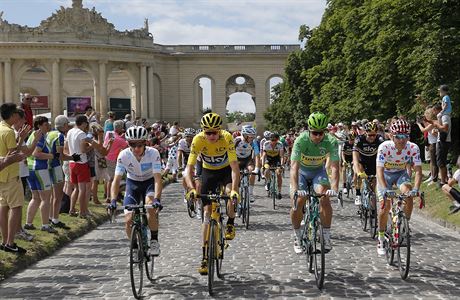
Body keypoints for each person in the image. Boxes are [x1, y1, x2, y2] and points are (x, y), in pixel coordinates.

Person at [184, 112, 240, 275]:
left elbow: (235, 167)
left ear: (220, 130)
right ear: (203, 131)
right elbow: (189, 168)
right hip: (208, 173)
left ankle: (230, 222)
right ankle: (204, 257)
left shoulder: (227, 137)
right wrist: (192, 188)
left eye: (215, 132)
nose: (211, 136)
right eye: (207, 132)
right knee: (207, 215)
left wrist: (235, 190)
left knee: (230, 193)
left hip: (225, 172)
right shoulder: (198, 140)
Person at [290, 112, 339, 254]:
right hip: (302, 173)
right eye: (315, 133)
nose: (318, 136)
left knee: (324, 197)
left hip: (318, 172)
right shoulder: (301, 140)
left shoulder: (331, 141)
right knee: (298, 201)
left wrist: (334, 188)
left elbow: (335, 167)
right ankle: (297, 235)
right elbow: (294, 167)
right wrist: (295, 188)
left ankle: (326, 235)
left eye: (321, 133)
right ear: (309, 130)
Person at [110, 126, 163, 256]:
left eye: (140, 144)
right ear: (128, 143)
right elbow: (116, 180)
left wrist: (157, 199)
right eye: (133, 145)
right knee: (128, 219)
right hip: (132, 184)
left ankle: (154, 240)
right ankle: (134, 246)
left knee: (150, 207)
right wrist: (113, 200)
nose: (137, 148)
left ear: (146, 143)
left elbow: (157, 179)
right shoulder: (123, 155)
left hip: (149, 182)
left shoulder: (153, 153)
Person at [375, 119, 422, 256]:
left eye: (405, 136)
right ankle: (381, 238)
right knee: (385, 206)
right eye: (398, 137)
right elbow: (379, 170)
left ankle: (404, 226)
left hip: (401, 174)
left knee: (408, 194)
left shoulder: (413, 148)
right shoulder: (384, 147)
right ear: (391, 136)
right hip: (385, 175)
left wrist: (416, 189)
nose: (402, 140)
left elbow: (418, 171)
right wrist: (385, 190)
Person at [0, 103, 28, 253]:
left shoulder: (1, 128)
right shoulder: (9, 132)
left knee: (3, 208)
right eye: (16, 114)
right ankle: (10, 242)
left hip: (2, 175)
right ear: (12, 115)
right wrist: (21, 140)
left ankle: (5, 241)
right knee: (16, 207)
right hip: (10, 174)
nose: (18, 116)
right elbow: (12, 155)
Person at [46, 115, 72, 229]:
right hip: (55, 166)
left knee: (52, 195)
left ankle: (50, 216)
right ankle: (55, 219)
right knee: (58, 194)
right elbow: (60, 156)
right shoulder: (60, 135)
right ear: (64, 125)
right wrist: (73, 158)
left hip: (47, 165)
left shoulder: (49, 133)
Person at [64, 115, 92, 218]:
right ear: (84, 123)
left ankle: (71, 209)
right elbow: (83, 150)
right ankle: (82, 211)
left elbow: (66, 147)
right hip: (82, 163)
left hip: (73, 161)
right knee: (82, 189)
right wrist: (91, 146)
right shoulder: (81, 134)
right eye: (86, 124)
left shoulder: (70, 131)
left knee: (75, 188)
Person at [352, 122, 384, 206]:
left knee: (373, 184)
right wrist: (358, 172)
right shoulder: (359, 139)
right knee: (358, 173)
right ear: (365, 132)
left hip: (374, 162)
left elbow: (385, 155)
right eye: (370, 135)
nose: (372, 137)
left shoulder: (380, 139)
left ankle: (372, 202)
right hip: (362, 161)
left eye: (374, 135)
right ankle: (358, 194)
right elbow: (355, 157)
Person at [104, 120, 128, 204]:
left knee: (109, 179)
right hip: (112, 159)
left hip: (106, 156)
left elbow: (113, 138)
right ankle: (110, 196)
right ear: (121, 128)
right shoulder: (120, 140)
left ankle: (111, 195)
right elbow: (127, 147)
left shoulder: (109, 133)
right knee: (113, 179)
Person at [234, 126, 260, 204]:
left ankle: (250, 193)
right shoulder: (237, 140)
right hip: (237, 160)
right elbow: (230, 152)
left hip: (247, 160)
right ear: (244, 135)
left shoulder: (253, 142)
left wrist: (257, 168)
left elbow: (257, 155)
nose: (252, 138)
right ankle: (236, 195)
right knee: (236, 177)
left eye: (253, 136)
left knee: (252, 170)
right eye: (250, 136)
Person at [262, 132, 284, 199]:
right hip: (268, 159)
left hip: (276, 160)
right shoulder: (266, 144)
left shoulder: (280, 144)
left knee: (278, 173)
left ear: (277, 140)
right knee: (266, 170)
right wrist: (263, 165)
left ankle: (279, 191)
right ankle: (268, 181)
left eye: (274, 140)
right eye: (271, 140)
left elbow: (282, 156)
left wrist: (281, 165)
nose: (273, 142)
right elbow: (263, 156)